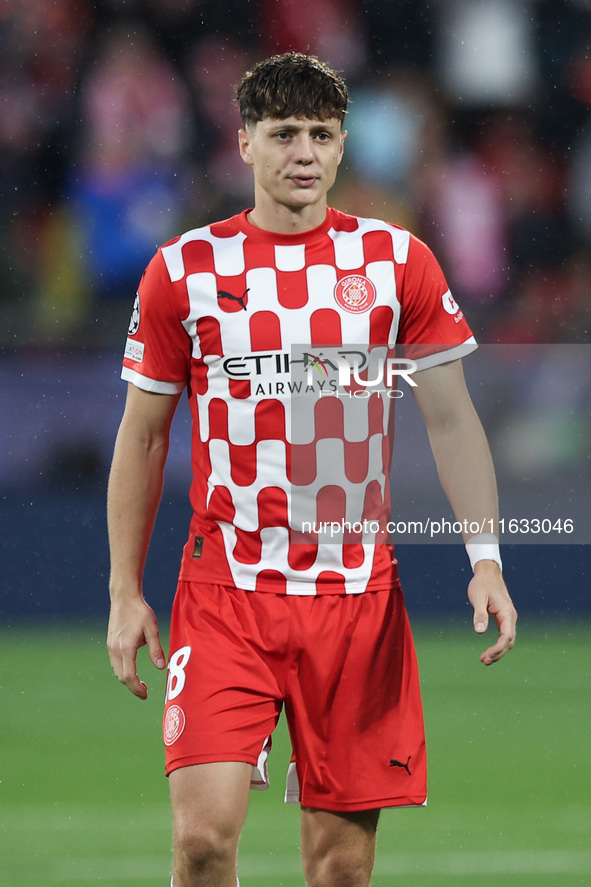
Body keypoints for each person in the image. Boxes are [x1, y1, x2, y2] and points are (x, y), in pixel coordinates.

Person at [107, 52, 517, 887]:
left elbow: (451, 418)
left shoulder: (397, 261)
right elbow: (143, 438)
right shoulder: (184, 271)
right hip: (226, 595)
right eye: (283, 132)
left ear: (340, 149)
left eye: (321, 135)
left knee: (338, 868)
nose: (303, 151)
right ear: (244, 143)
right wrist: (123, 591)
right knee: (201, 841)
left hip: (354, 603)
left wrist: (486, 558)